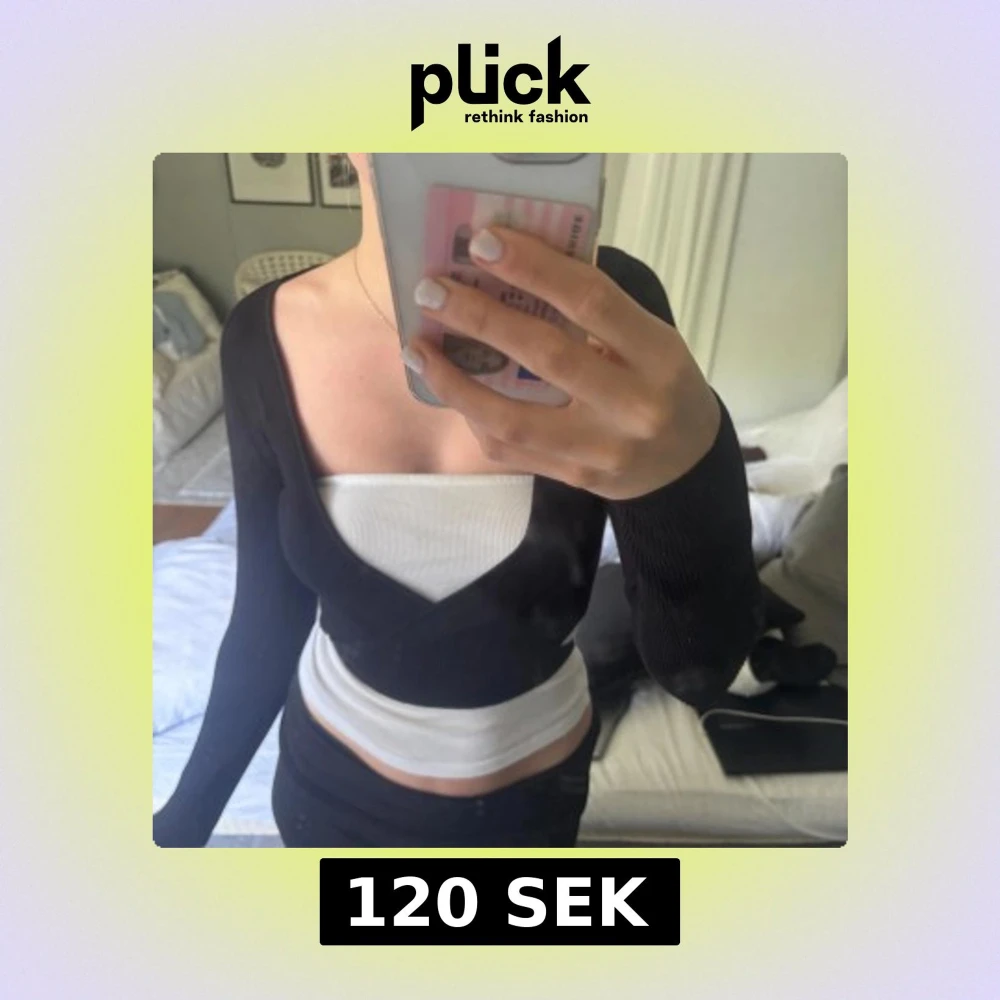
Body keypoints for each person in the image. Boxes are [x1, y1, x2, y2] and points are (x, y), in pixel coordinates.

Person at [153, 154, 761, 848]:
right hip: (327, 795)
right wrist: (181, 825)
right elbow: (266, 615)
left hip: (535, 804)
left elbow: (697, 669)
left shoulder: (613, 310)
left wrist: (695, 462)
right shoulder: (265, 333)